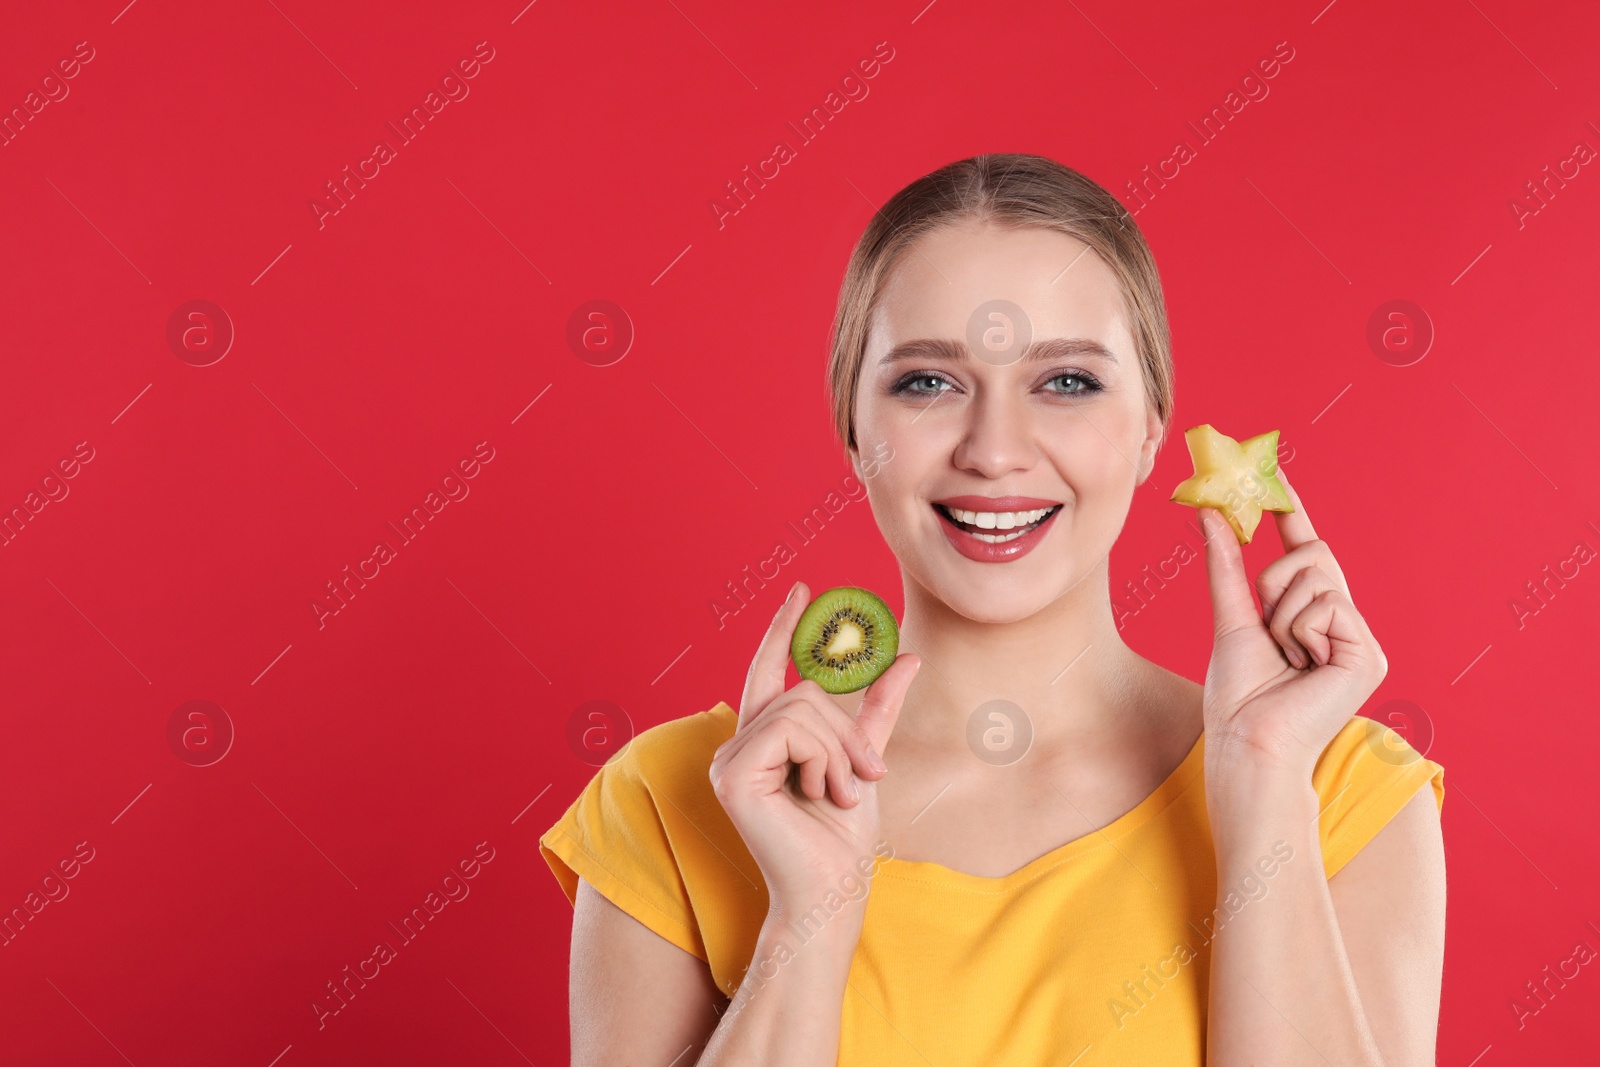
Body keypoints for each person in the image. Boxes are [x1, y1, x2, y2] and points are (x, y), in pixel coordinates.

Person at [540, 153, 1446, 1065]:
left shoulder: (1339, 794)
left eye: (1067, 382)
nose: (995, 450)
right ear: (855, 430)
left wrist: (1263, 790)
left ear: (1150, 432)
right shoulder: (676, 800)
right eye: (929, 381)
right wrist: (807, 926)